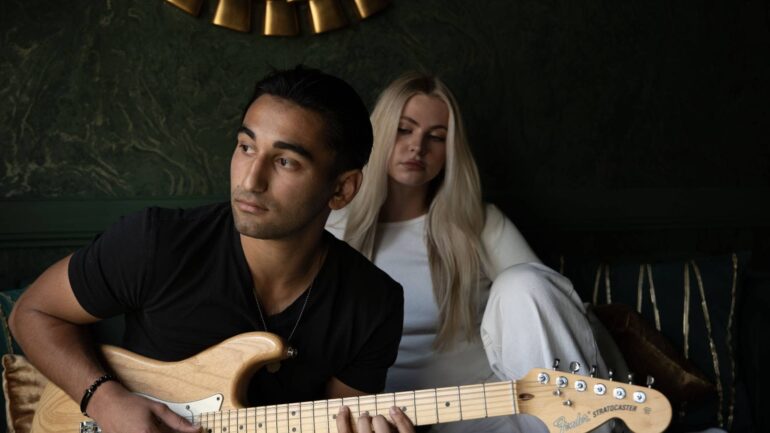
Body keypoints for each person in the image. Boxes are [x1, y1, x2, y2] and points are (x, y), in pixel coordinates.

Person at [9, 67, 414, 433]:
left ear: (342, 188)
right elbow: (33, 312)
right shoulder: (158, 243)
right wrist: (104, 399)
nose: (251, 180)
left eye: (286, 161)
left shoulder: (373, 303)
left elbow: (340, 419)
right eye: (246, 147)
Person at [327, 72, 610, 432]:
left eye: (436, 137)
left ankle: (595, 421)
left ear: (450, 150)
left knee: (524, 283)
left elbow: (548, 309)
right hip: (384, 421)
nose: (418, 146)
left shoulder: (477, 222)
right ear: (378, 133)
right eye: (404, 129)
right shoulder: (329, 227)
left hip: (486, 412)